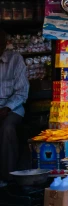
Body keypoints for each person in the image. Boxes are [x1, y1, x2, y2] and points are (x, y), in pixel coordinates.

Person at [0, 29, 27, 181]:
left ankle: (7, 177)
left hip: (12, 108)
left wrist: (6, 108)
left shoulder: (15, 60)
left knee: (7, 128)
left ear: (4, 43)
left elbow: (22, 92)